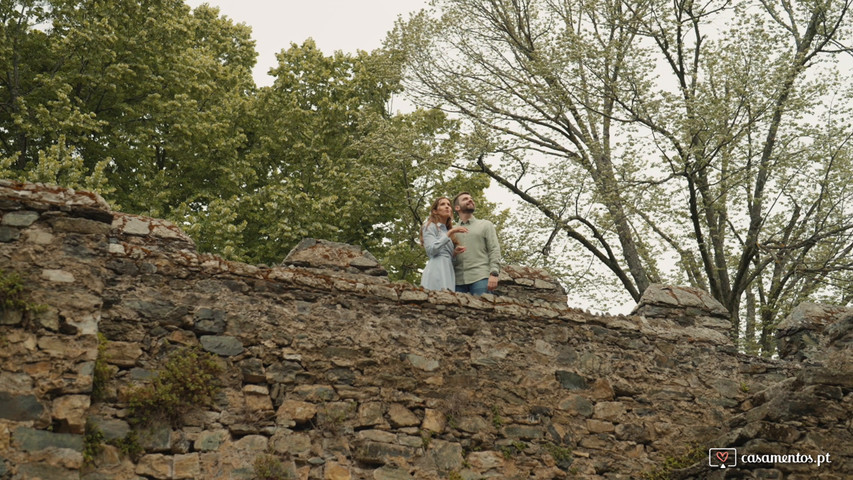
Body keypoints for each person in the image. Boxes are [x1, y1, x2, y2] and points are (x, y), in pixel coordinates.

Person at [452, 191, 501, 295]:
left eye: (471, 198)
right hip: (457, 281)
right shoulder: (452, 230)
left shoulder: (486, 225)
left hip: (480, 278)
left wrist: (494, 273)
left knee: (484, 310)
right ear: (457, 208)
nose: (470, 200)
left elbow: (494, 249)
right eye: (465, 199)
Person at [420, 196, 467, 291]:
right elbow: (430, 251)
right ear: (435, 211)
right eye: (442, 204)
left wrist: (454, 253)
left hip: (448, 269)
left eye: (449, 205)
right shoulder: (429, 226)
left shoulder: (447, 230)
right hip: (436, 267)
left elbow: (446, 254)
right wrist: (449, 233)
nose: (447, 207)